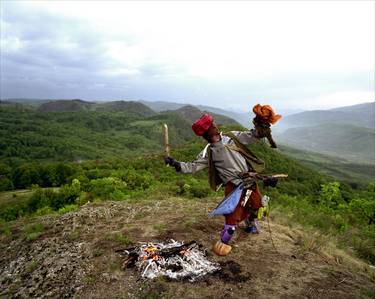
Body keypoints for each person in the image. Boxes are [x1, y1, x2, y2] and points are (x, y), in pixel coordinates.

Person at [164, 105, 280, 256]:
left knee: (257, 206)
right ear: (206, 133)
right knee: (232, 216)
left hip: (250, 180)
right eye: (212, 126)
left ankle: (250, 222)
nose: (215, 126)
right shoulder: (209, 152)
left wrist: (261, 127)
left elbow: (251, 136)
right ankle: (223, 243)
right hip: (233, 186)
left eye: (213, 124)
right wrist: (176, 164)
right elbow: (193, 166)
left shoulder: (231, 137)